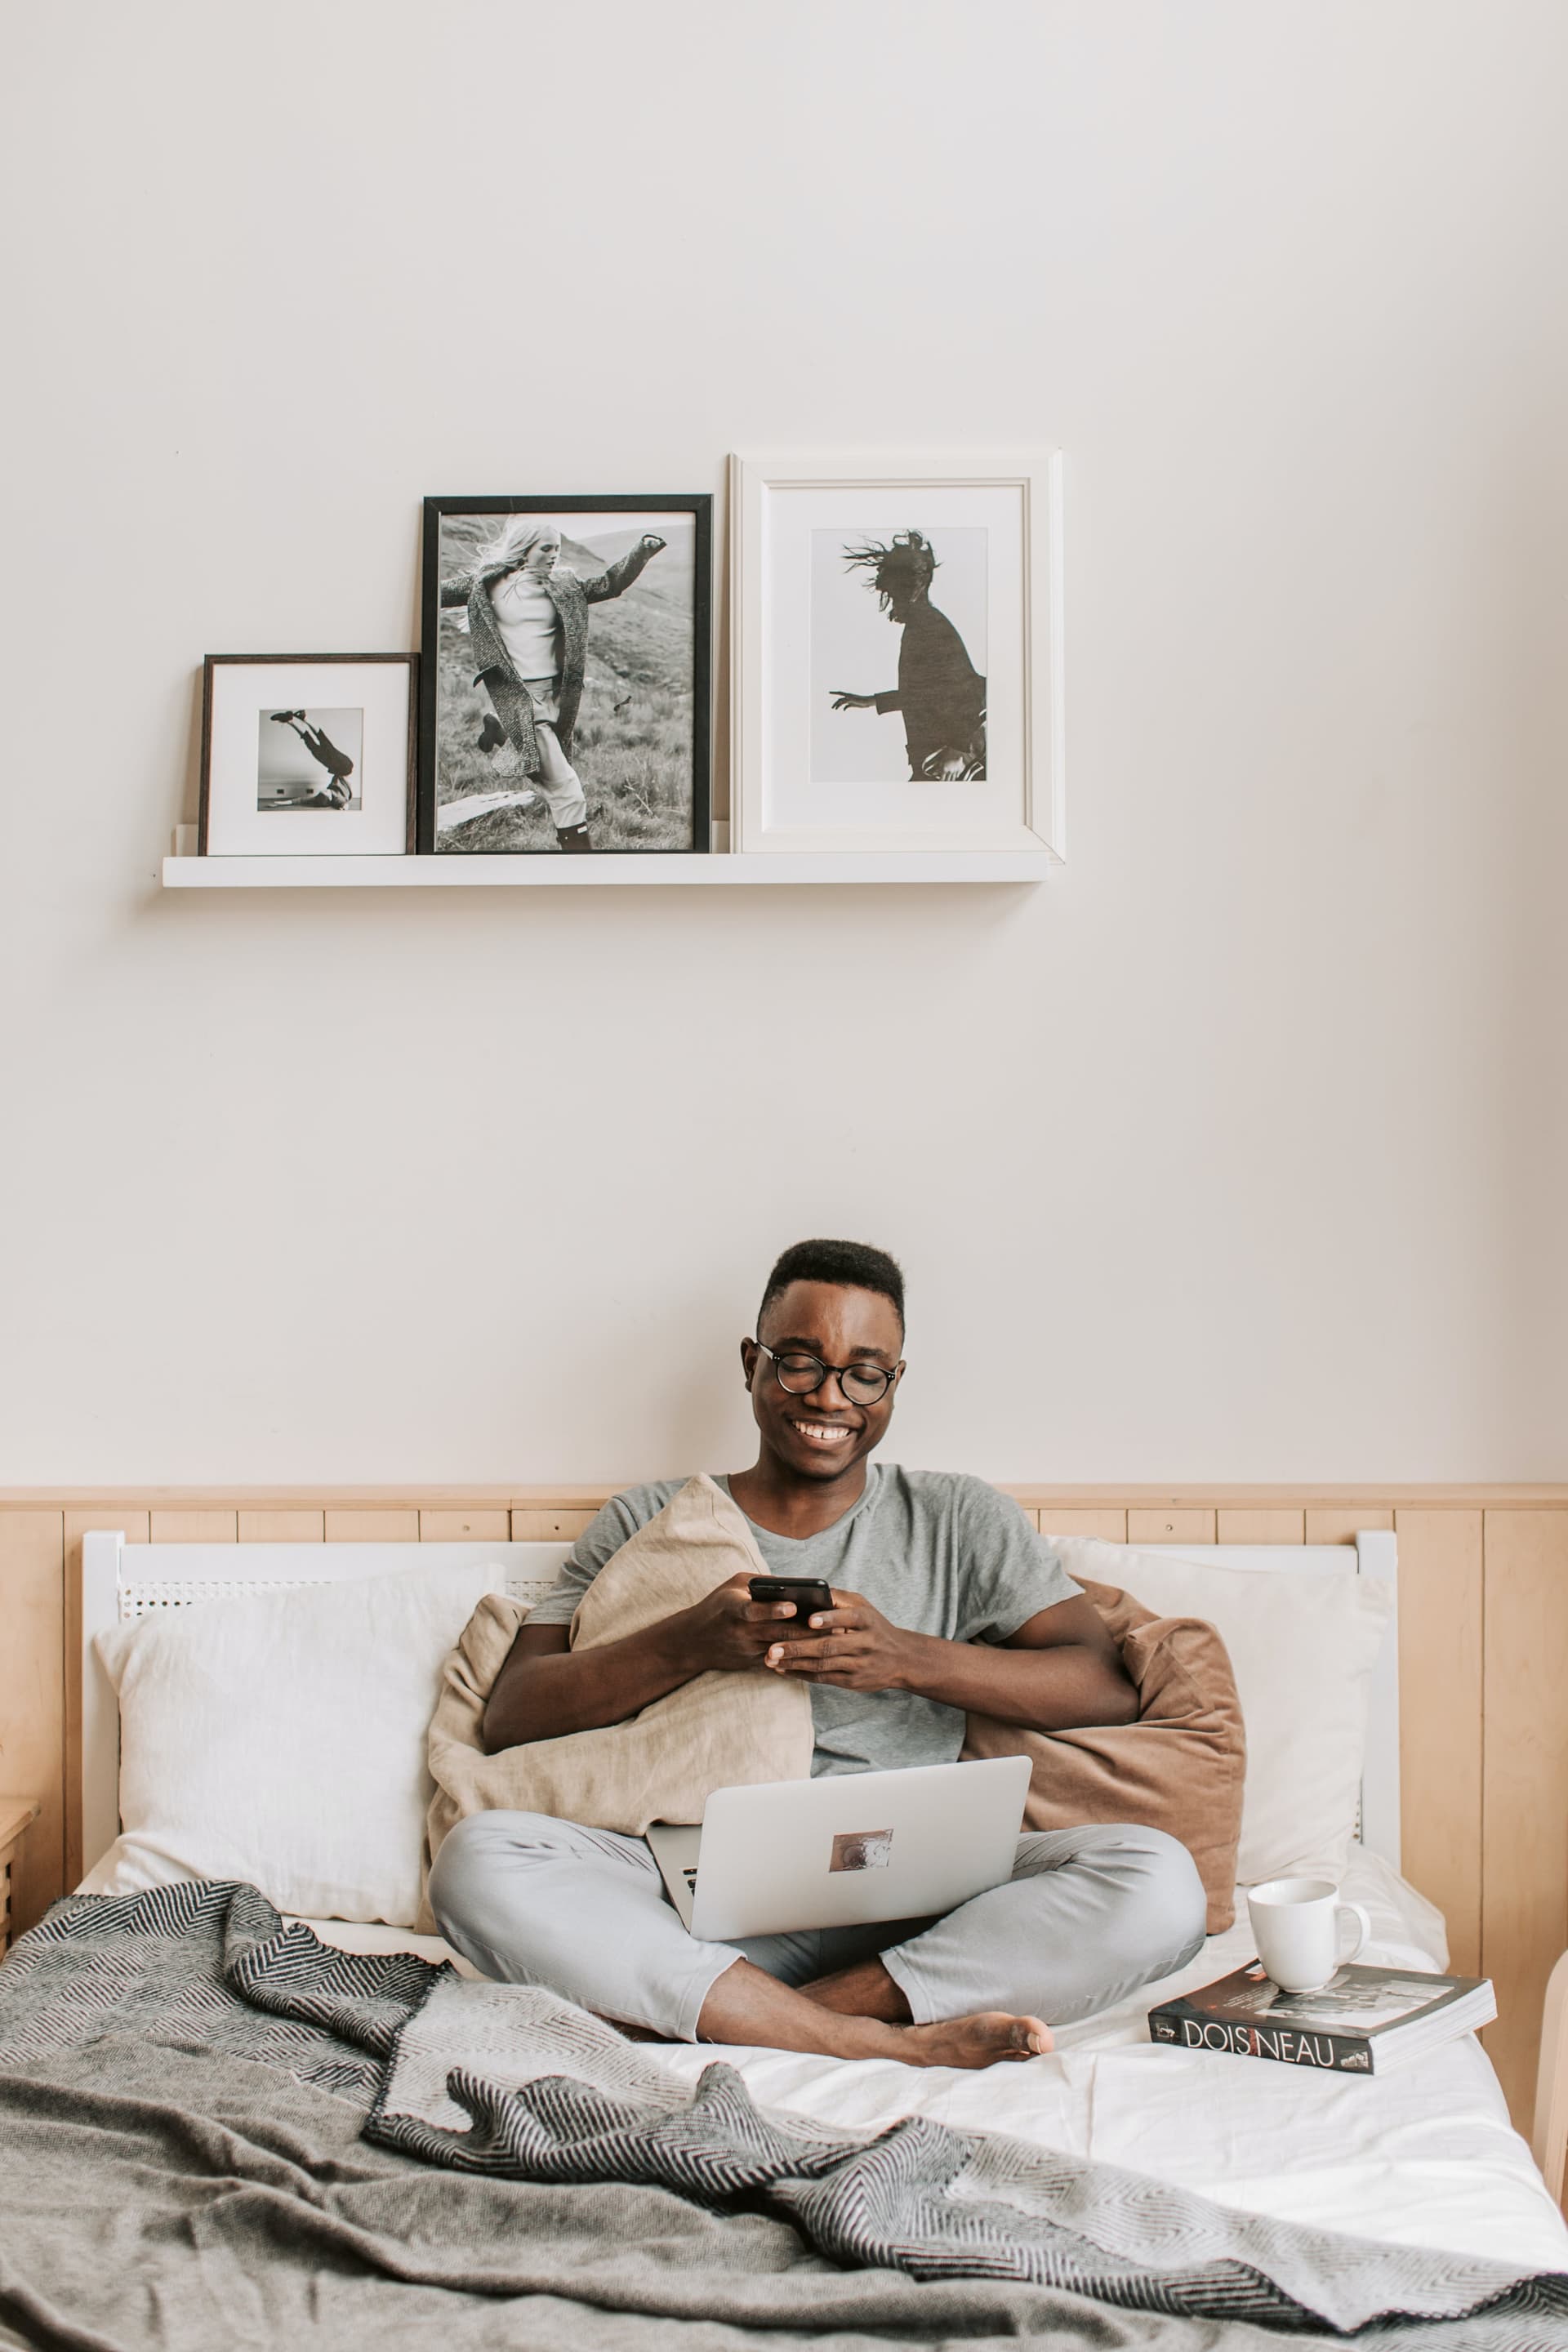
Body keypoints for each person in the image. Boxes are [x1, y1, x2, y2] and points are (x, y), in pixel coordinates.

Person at [430, 1239, 1208, 2069]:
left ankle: (779, 2016)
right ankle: (850, 2039)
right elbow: (513, 1714)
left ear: (895, 1382)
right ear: (751, 1364)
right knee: (477, 1863)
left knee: (1158, 1881)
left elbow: (1102, 1684)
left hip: (916, 1897)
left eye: (863, 1373)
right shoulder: (649, 1517)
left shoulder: (958, 1517)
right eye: (799, 1363)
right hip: (688, 1888)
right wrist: (691, 1641)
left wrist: (904, 1658)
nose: (829, 1398)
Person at [440, 519, 666, 852]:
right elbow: (429, 590)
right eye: (546, 548)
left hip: (559, 699)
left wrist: (641, 552)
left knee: (548, 776)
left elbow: (610, 584)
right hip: (521, 699)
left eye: (558, 548)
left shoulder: (565, 584)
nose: (554, 555)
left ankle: (503, 734)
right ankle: (579, 864)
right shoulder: (485, 584)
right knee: (566, 790)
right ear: (524, 549)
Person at [829, 532, 987, 779]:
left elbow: (969, 688)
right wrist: (873, 701)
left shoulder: (928, 626)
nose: (890, 602)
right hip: (934, 760)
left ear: (908, 589)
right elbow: (929, 692)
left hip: (946, 762)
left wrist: (959, 750)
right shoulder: (921, 624)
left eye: (892, 594)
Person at [266, 710, 354, 807]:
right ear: (329, 798)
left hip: (334, 767)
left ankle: (290, 721)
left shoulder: (321, 798)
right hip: (345, 767)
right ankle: (305, 718)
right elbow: (345, 804)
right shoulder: (338, 799)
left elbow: (300, 800)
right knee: (326, 744)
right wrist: (344, 807)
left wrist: (279, 804)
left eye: (322, 792)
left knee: (312, 746)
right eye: (326, 793)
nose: (325, 790)